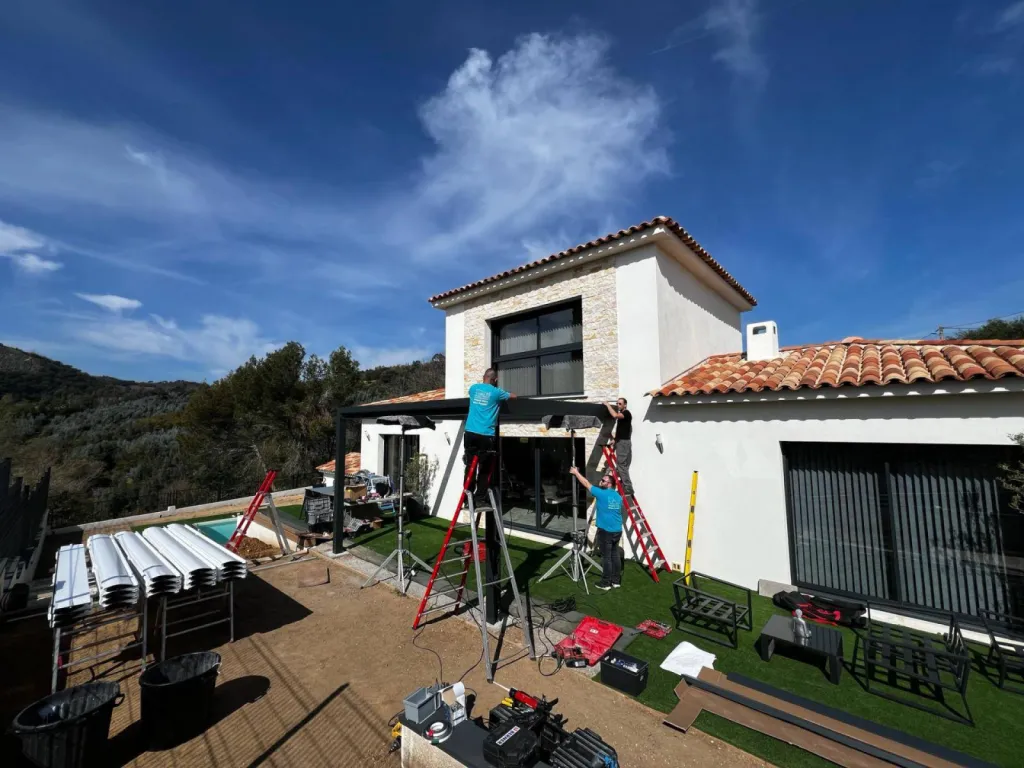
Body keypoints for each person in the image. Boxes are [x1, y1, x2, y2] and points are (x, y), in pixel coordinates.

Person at [569, 466, 622, 590]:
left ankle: (606, 583)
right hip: (617, 530)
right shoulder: (617, 496)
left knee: (607, 557)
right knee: (615, 555)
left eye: (603, 481)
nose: (600, 481)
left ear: (609, 484)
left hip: (606, 531)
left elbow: (586, 483)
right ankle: (616, 581)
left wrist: (576, 472)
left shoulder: (601, 493)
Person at [464, 368, 516, 494]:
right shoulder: (497, 392)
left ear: (484, 377)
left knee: (470, 464)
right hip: (485, 434)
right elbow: (514, 397)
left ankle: (467, 493)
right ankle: (480, 497)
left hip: (470, 432)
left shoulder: (473, 388)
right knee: (485, 467)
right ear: (495, 380)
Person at [604, 397, 633, 497]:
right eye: (617, 403)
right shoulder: (623, 415)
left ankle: (628, 487)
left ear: (625, 405)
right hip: (621, 441)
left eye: (620, 404)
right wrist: (615, 440)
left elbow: (615, 415)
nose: (618, 405)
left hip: (623, 443)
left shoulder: (626, 413)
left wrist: (607, 405)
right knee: (621, 466)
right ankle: (624, 486)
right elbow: (622, 430)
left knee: (621, 465)